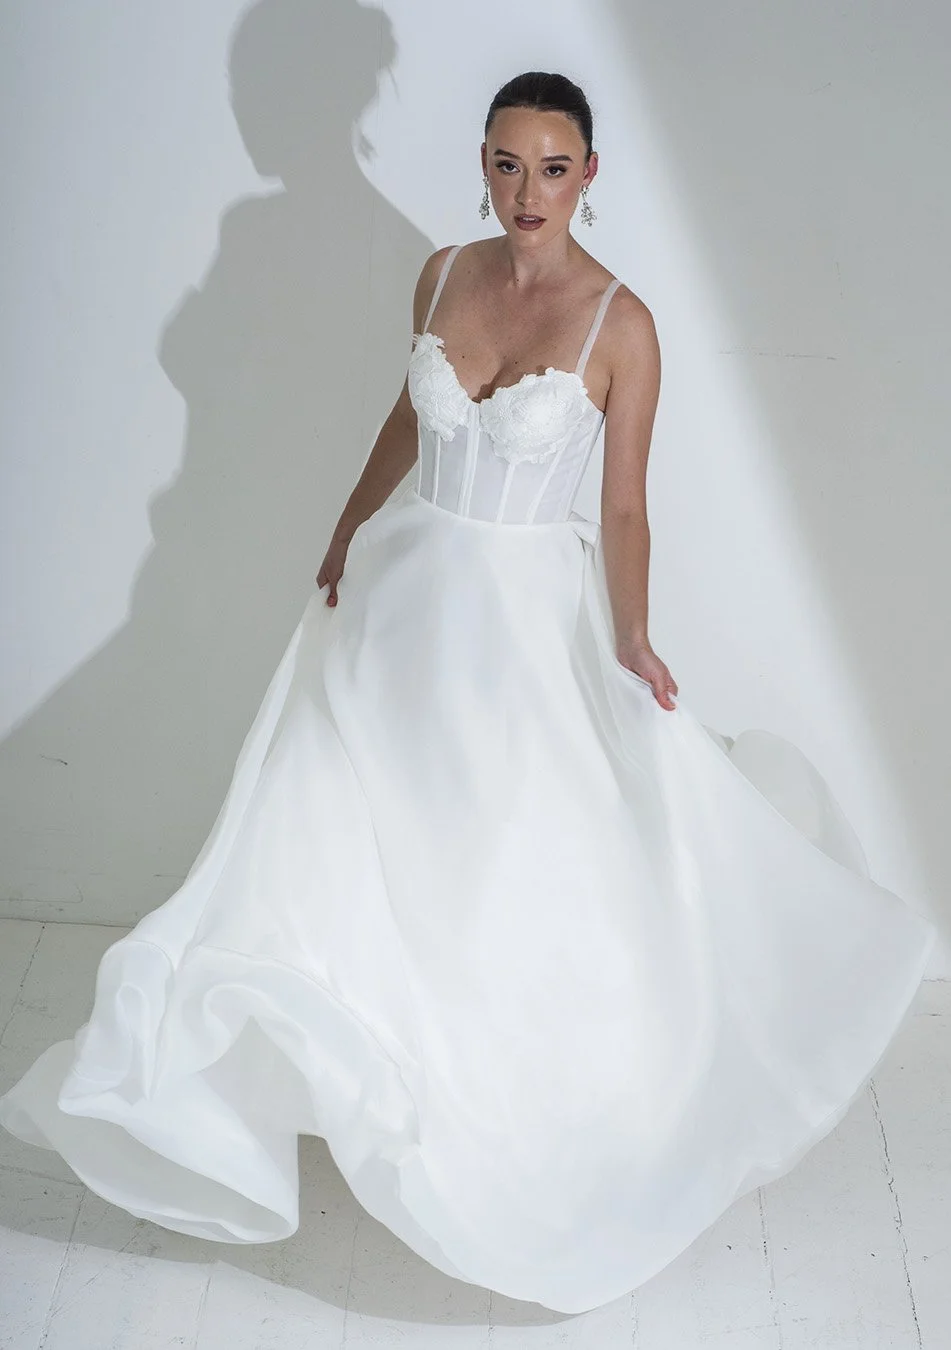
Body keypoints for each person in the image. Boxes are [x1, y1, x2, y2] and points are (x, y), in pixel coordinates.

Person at [0, 71, 936, 1316]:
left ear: (591, 175)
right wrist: (346, 525)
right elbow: (407, 411)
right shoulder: (441, 273)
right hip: (396, 604)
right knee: (328, 829)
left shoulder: (624, 326)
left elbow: (622, 505)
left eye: (553, 168)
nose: (527, 191)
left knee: (498, 857)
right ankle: (322, 1063)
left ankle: (494, 1096)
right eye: (506, 163)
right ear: (482, 163)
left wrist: (637, 634)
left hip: (514, 629)